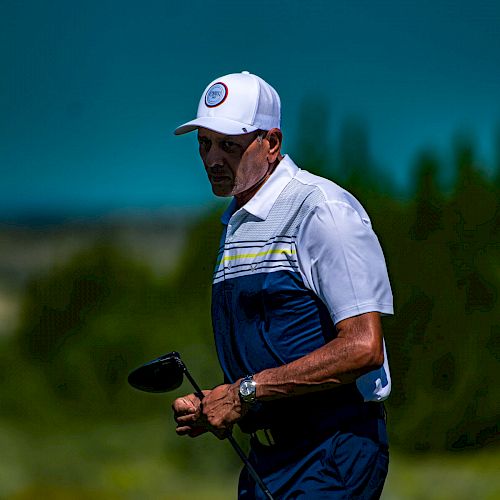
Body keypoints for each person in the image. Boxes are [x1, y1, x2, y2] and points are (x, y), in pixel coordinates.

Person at [172, 71, 393, 499]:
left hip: (330, 452)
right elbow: (270, 344)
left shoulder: (321, 209)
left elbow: (364, 347)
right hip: (266, 459)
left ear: (271, 143)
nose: (212, 159)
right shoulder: (235, 223)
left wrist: (245, 393)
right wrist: (218, 401)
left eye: (229, 146)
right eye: (204, 143)